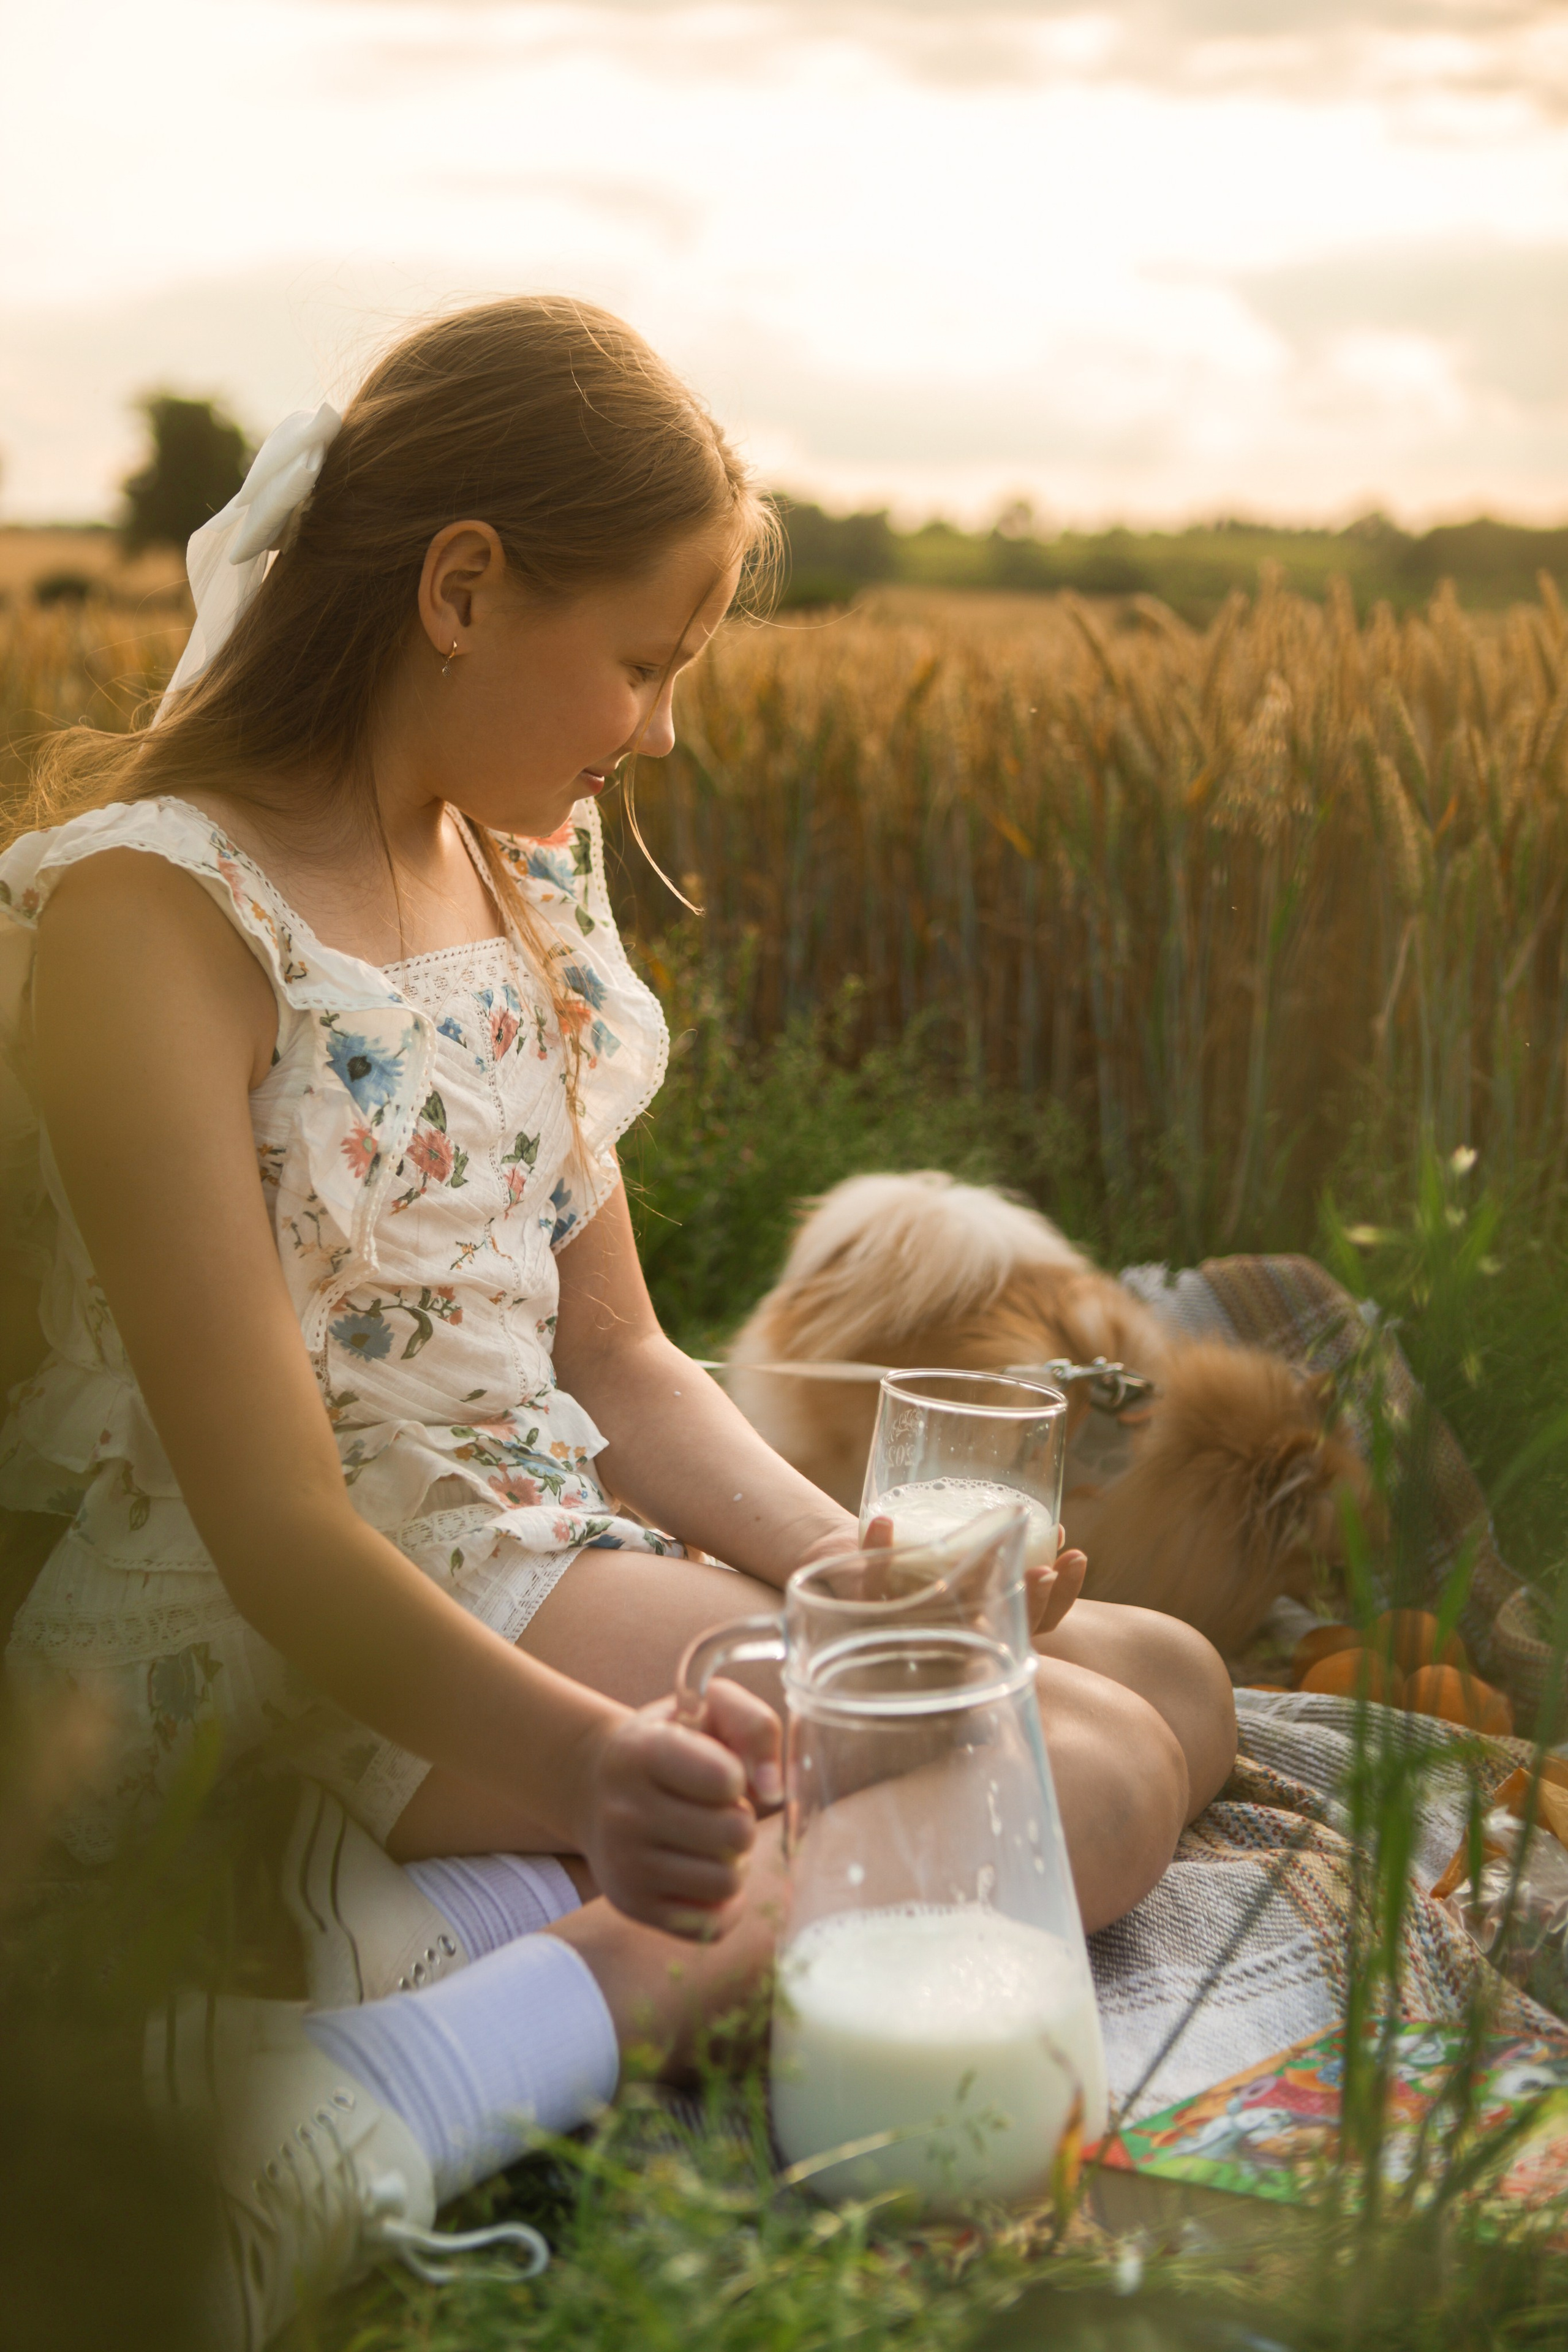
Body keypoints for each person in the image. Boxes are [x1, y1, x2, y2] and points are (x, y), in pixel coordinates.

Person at [0, 298, 1236, 2340]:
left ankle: (439, 1925)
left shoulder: (518, 888)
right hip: (292, 1619)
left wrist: (859, 1574)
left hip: (546, 1537)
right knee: (1066, 1769)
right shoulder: (158, 919)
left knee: (1167, 1673)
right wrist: (592, 1765)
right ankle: (470, 2023)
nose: (659, 726)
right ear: (466, 588)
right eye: (646, 660)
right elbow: (268, 1517)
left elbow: (619, 1357)